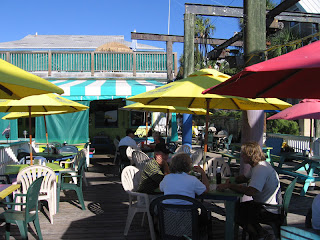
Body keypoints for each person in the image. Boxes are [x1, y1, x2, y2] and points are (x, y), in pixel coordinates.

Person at [217, 142, 281, 239]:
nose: (241, 155)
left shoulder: (260, 169)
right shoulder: (257, 165)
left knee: (235, 212)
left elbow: (250, 191)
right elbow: (244, 178)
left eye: (243, 154)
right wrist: (232, 179)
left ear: (250, 155)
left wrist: (229, 186)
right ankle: (259, 232)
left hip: (268, 209)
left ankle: (257, 234)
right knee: (238, 207)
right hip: (266, 204)